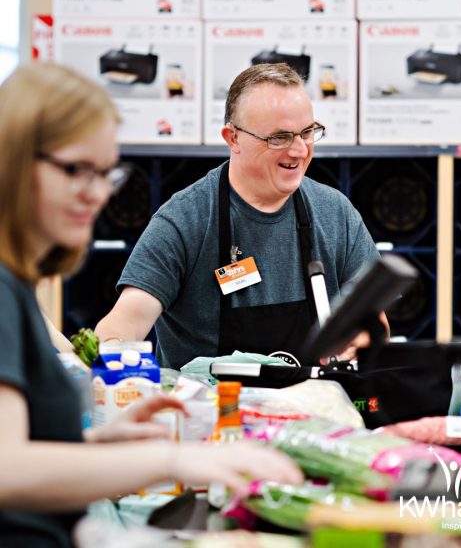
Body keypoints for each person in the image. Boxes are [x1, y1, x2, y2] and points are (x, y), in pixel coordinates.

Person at [0, 62, 302, 548]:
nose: (97, 194)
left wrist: (104, 443)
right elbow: (7, 469)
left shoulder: (15, 289)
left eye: (106, 173)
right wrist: (173, 459)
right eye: (78, 170)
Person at [96, 63, 388, 370]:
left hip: (317, 410)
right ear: (233, 138)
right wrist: (111, 352)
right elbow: (121, 327)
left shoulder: (335, 213)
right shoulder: (185, 220)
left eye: (307, 132)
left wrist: (362, 340)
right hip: (216, 413)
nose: (300, 150)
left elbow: (375, 323)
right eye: (280, 138)